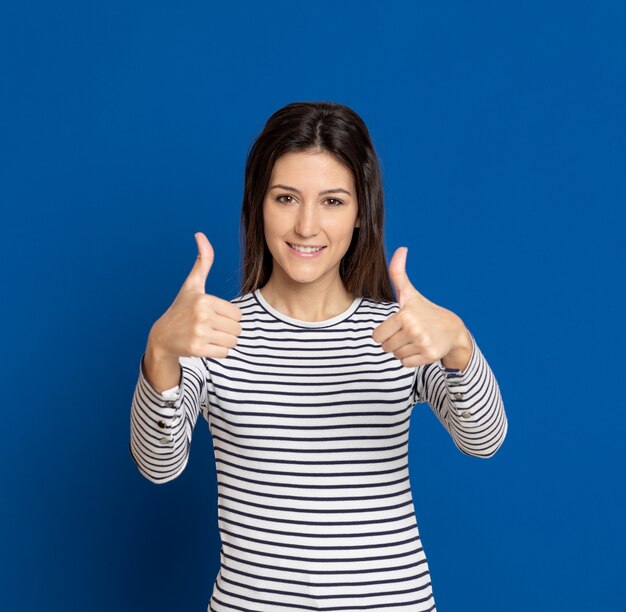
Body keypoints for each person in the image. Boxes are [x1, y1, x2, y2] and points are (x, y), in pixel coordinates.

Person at [129, 100, 508, 612]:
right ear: (256, 205)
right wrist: (159, 350)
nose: (306, 226)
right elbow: (159, 465)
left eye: (332, 201)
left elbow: (483, 440)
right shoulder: (212, 332)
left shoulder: (399, 331)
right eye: (286, 198)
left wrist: (460, 344)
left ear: (360, 216)